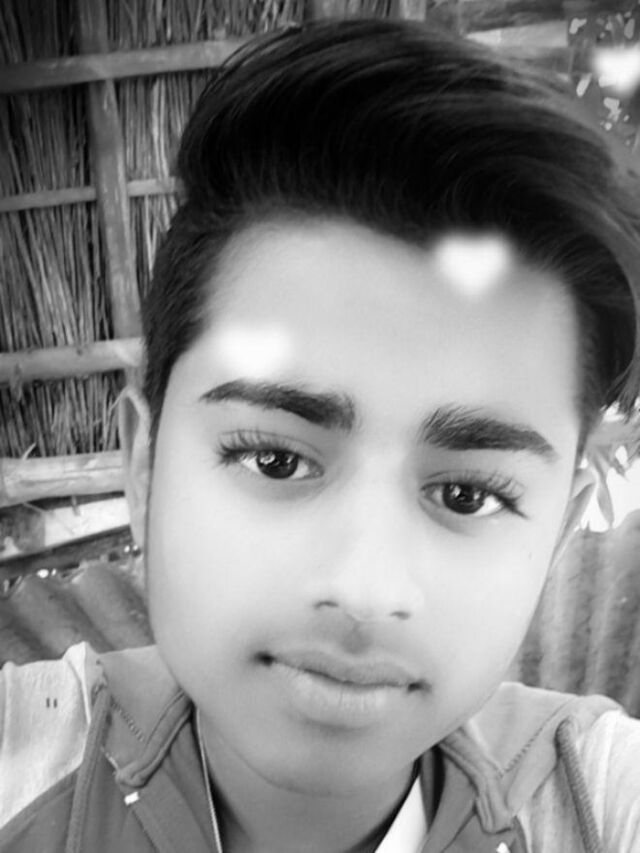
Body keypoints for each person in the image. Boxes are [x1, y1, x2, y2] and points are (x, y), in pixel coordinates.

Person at [2, 17, 640, 853]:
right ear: (145, 465)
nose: (364, 588)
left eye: (466, 494)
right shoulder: (25, 766)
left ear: (558, 530)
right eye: (274, 459)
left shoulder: (597, 802)